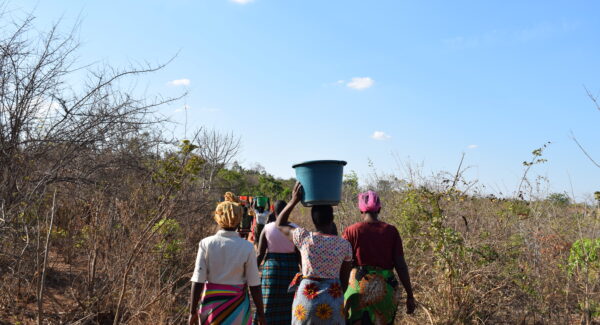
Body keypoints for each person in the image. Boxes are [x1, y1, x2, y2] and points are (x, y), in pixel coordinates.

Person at [276, 182, 352, 325]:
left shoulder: (304, 238)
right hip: (333, 301)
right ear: (332, 219)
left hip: (306, 302)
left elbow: (279, 223)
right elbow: (344, 281)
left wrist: (293, 201)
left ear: (313, 220)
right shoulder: (344, 245)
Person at [188, 192, 266, 325]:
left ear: (217, 218)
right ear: (239, 219)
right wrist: (260, 312)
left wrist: (192, 312)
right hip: (239, 308)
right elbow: (254, 283)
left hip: (211, 307)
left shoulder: (206, 243)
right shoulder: (246, 247)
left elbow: (198, 279)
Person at [343, 190, 416, 325]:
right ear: (379, 209)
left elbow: (343, 262)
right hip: (385, 290)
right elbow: (400, 264)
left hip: (357, 288)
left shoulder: (351, 230)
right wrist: (410, 296)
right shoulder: (391, 231)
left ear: (361, 210)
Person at [253, 200, 300, 325]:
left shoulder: (267, 228)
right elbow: (300, 254)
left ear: (274, 211)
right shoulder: (295, 229)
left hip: (271, 270)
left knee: (268, 302)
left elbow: (260, 254)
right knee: (289, 303)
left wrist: (251, 274)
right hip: (291, 269)